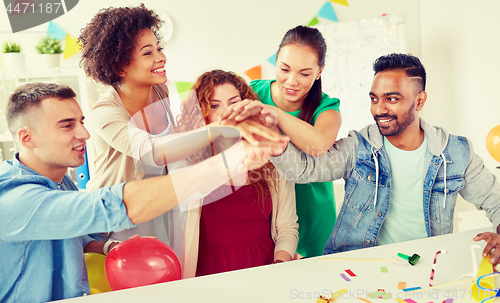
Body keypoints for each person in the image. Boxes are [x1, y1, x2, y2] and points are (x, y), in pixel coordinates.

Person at [0, 82, 283, 302]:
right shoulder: (13, 200)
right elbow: (119, 203)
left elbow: (76, 232)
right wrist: (230, 162)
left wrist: (109, 246)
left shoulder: (61, 182)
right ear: (27, 137)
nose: (85, 134)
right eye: (67, 125)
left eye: (81, 122)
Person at [78, 4, 285, 250]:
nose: (161, 57)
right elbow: (151, 151)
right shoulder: (105, 112)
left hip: (157, 208)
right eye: (147, 53)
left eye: (159, 48)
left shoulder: (160, 90)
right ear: (119, 66)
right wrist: (217, 129)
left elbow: (175, 150)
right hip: (117, 219)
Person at [268, 53, 500, 265]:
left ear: (419, 101)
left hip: (425, 266)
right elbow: (302, 170)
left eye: (391, 99)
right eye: (374, 99)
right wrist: (267, 134)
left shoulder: (456, 153)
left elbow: (495, 200)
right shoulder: (358, 146)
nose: (379, 109)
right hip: (358, 267)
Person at [220, 25, 342, 258]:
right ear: (275, 61)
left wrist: (274, 114)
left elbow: (317, 145)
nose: (292, 81)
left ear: (319, 71)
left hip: (313, 215)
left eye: (304, 74)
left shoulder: (327, 109)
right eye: (284, 69)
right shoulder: (251, 93)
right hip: (264, 214)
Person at [174, 70, 298, 278]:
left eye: (234, 103)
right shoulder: (186, 162)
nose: (226, 113)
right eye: (214, 106)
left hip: (264, 272)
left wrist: (279, 266)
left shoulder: (271, 161)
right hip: (208, 277)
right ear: (201, 113)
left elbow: (287, 228)